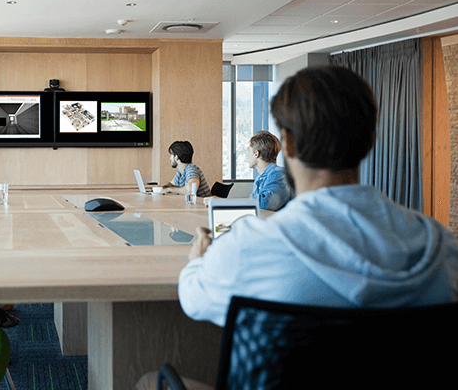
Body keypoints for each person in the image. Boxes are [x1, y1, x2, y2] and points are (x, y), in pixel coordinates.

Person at [178, 66, 458, 328]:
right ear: (371, 139)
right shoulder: (442, 247)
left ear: (287, 143)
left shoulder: (249, 246)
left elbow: (193, 298)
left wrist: (197, 260)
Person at [247, 130, 291, 211]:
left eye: (249, 151)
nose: (247, 155)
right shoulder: (259, 178)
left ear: (256, 153)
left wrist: (228, 202)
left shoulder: (278, 173)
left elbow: (265, 203)